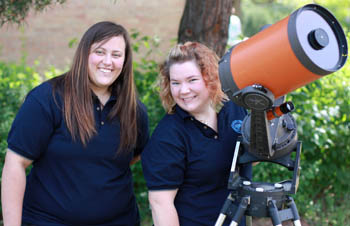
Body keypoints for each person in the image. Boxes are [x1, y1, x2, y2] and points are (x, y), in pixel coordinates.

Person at [1, 21, 149, 226]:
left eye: (116, 55)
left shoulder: (134, 110)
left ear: (125, 61)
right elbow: (15, 163)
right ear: (84, 54)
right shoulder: (48, 99)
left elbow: (133, 156)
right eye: (100, 52)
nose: (108, 61)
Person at [141, 42, 252, 226]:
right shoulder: (169, 135)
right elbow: (160, 203)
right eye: (175, 83)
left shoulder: (234, 108)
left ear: (210, 77)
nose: (183, 91)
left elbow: (250, 157)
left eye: (192, 80)